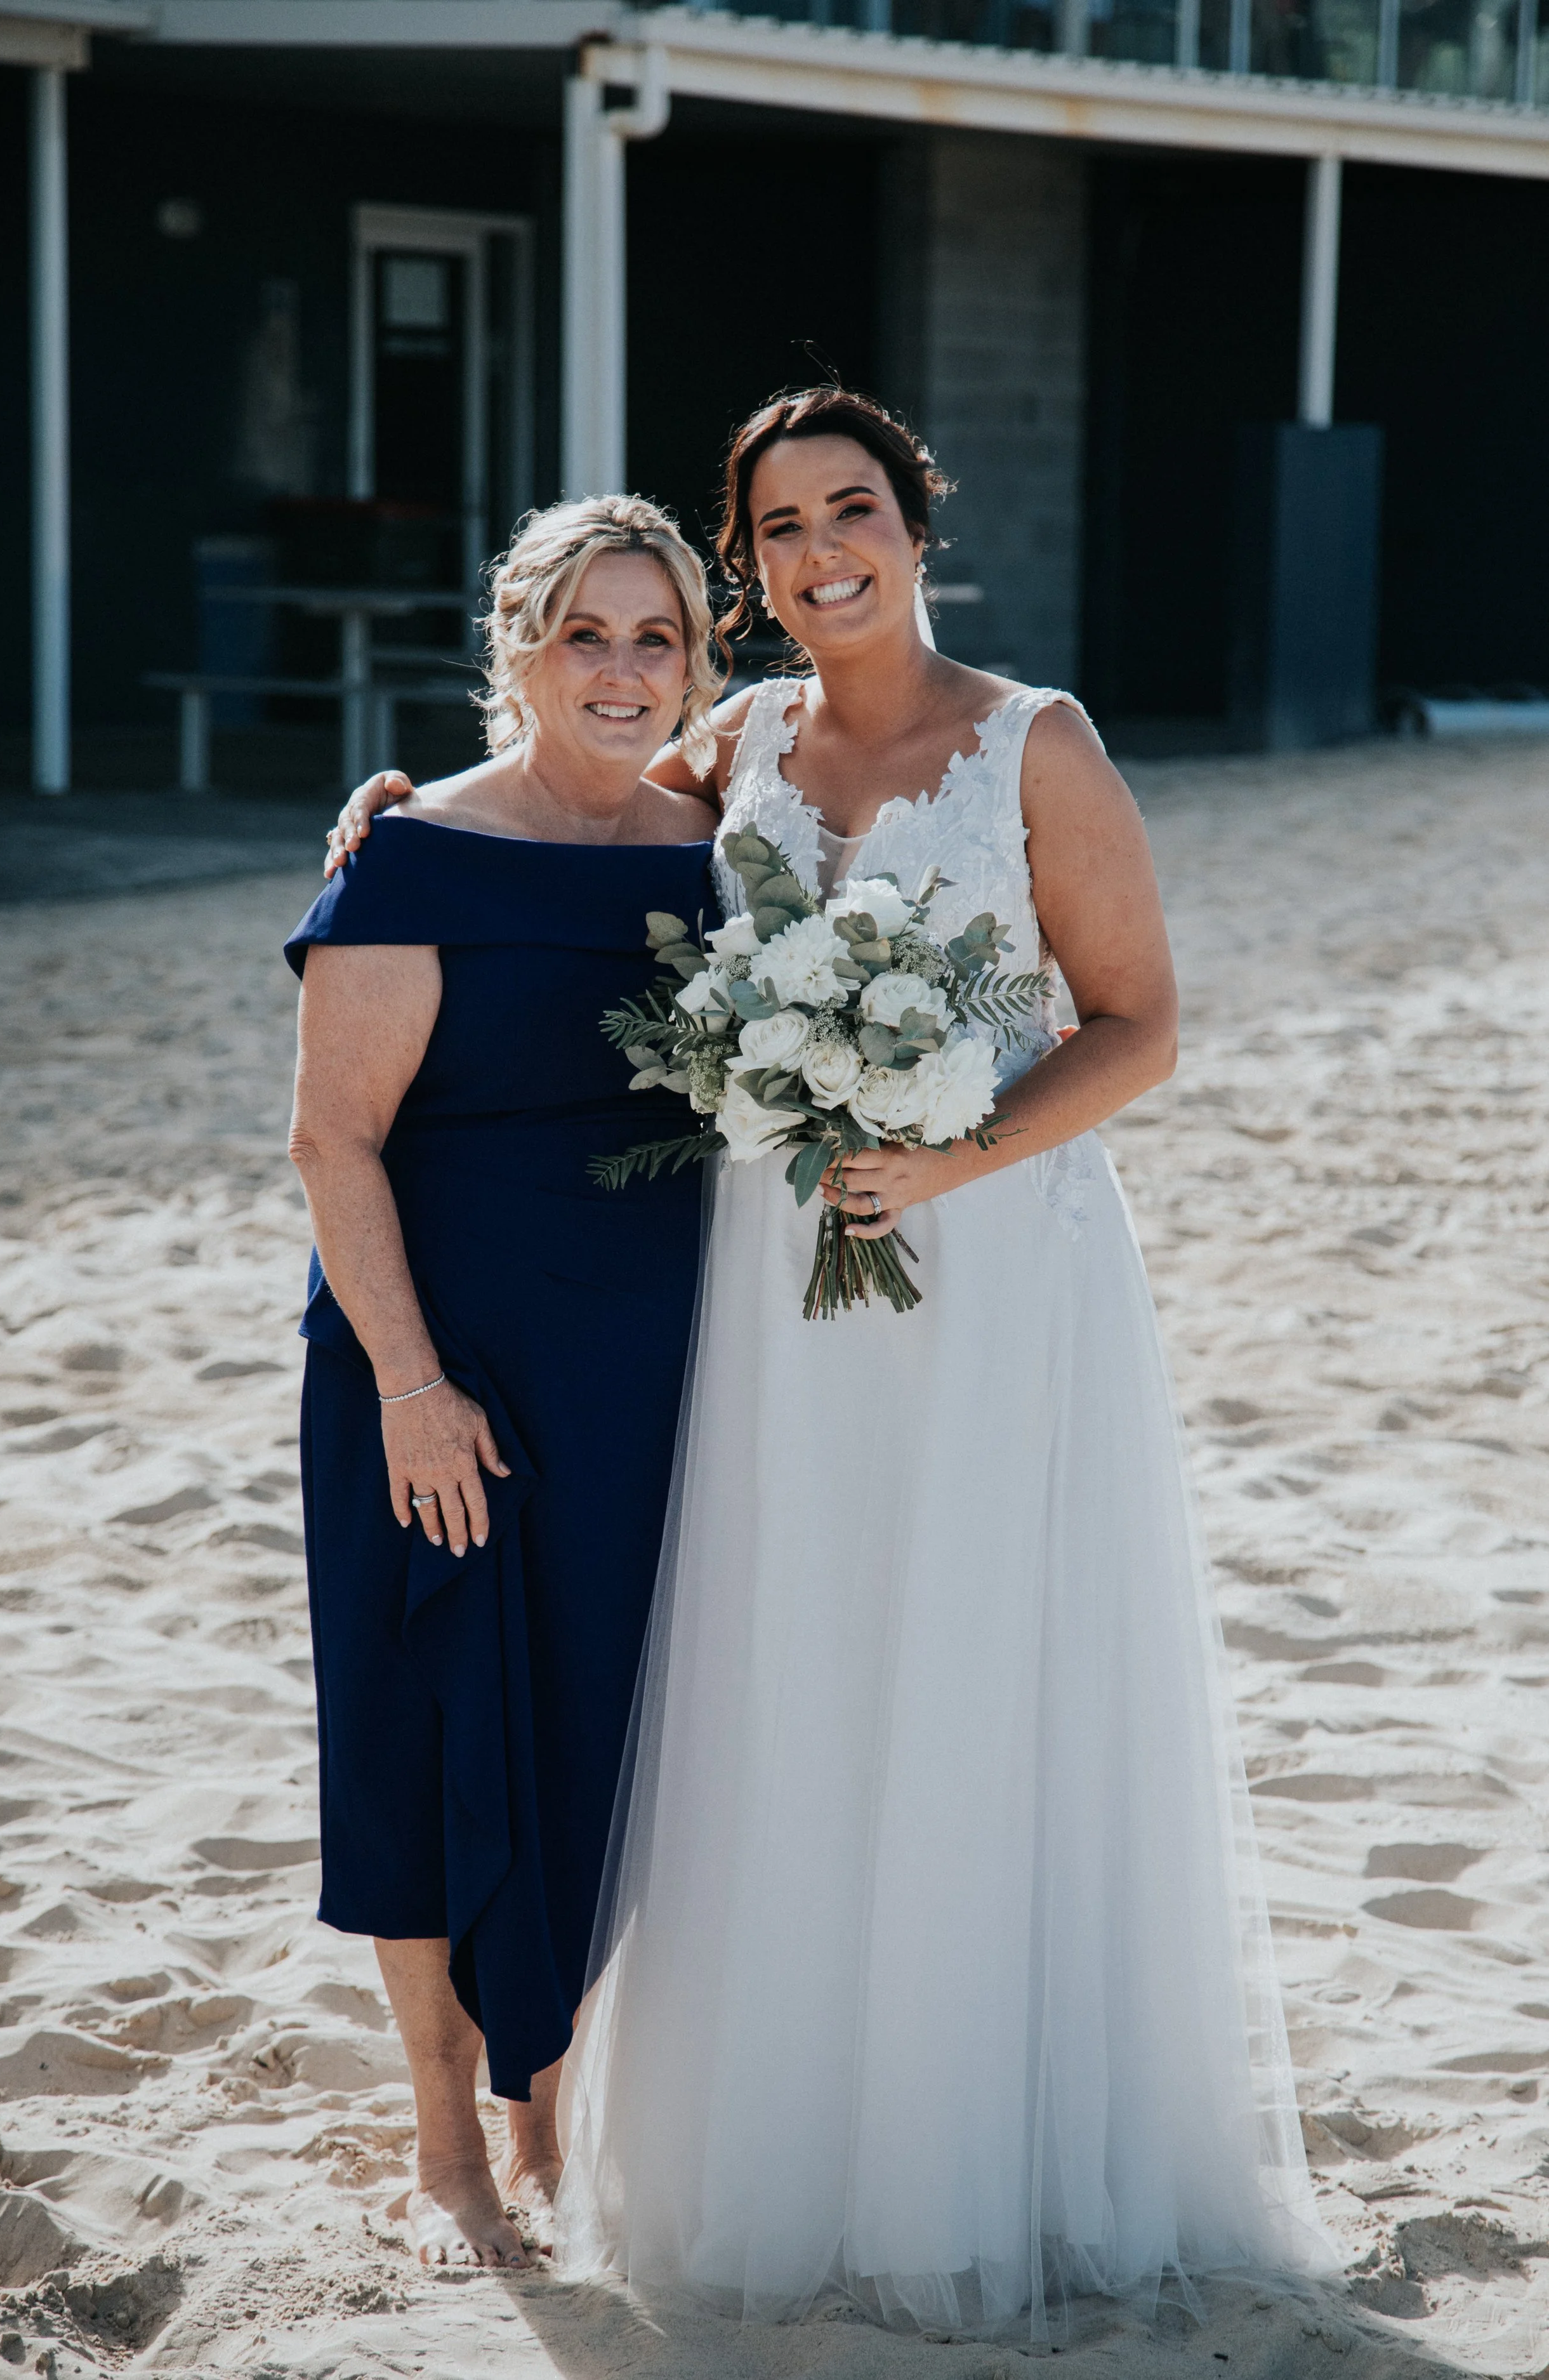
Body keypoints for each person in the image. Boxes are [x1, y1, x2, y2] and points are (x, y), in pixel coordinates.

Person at [327, 390, 1336, 2333]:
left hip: (997, 1264)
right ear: (753, 571)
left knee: (979, 1655)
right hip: (775, 1282)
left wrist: (950, 1156)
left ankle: (986, 2124)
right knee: (793, 1666)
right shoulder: (744, 741)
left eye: (849, 509)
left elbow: (1137, 1027)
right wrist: (397, 814)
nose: (819, 553)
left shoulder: (1036, 742)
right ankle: (790, 2111)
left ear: (914, 521)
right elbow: (568, 786)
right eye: (779, 530)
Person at [284, 494, 718, 2271]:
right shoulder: (415, 859)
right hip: (432, 1363)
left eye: (658, 639)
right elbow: (329, 1141)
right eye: (585, 636)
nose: (621, 673)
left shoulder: (718, 850)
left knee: (597, 1720)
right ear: (519, 651)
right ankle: (444, 2140)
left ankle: (551, 2108)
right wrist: (408, 1383)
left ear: (700, 660)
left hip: (640, 1371)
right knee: (422, 1720)